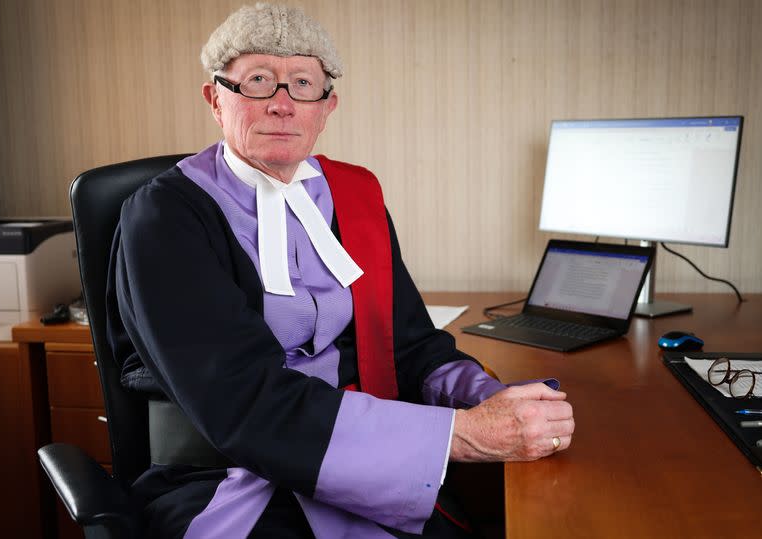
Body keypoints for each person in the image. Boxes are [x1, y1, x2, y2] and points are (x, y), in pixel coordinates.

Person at [106, 3, 575, 538]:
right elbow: (240, 402)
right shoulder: (165, 215)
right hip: (228, 475)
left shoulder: (356, 194)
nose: (282, 105)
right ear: (216, 99)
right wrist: (460, 435)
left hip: (375, 460)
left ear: (327, 106)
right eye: (258, 81)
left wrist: (489, 398)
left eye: (302, 84)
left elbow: (412, 346)